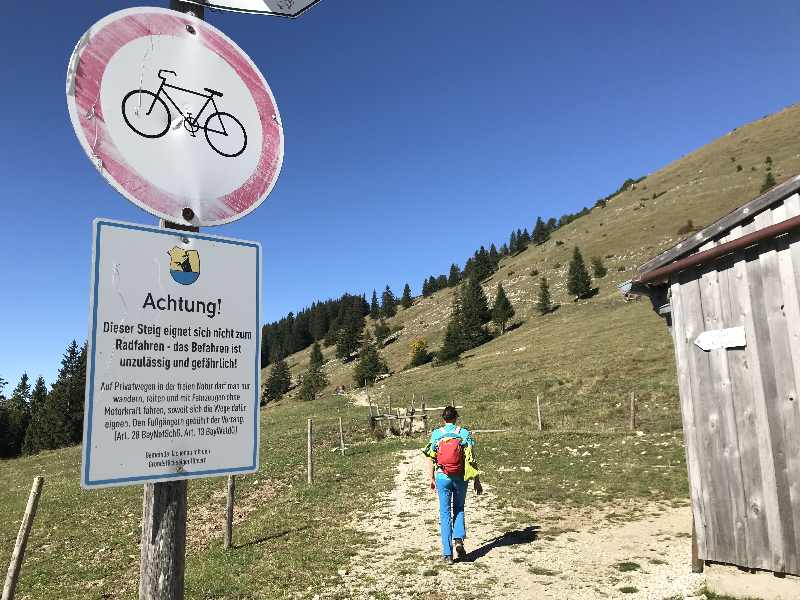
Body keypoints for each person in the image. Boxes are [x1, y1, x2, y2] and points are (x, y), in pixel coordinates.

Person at [423, 406, 482, 564]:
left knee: (445, 513)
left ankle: (447, 554)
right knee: (459, 508)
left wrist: (431, 478)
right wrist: (476, 479)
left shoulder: (437, 434)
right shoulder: (463, 433)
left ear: (443, 419)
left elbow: (430, 457)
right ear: (456, 418)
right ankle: (458, 541)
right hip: (460, 476)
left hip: (442, 476)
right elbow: (471, 458)